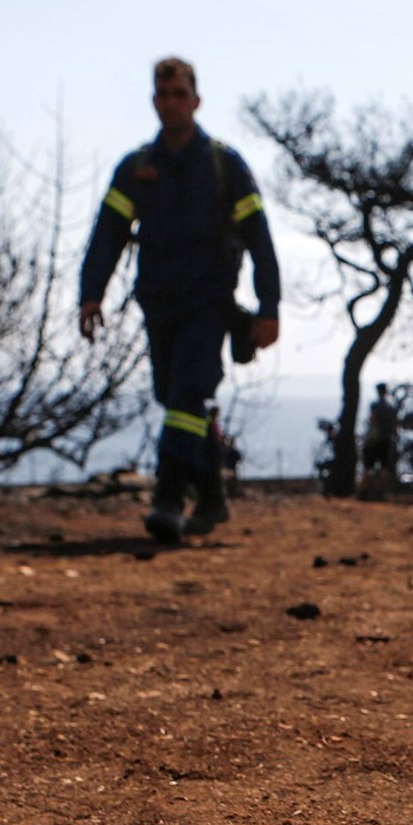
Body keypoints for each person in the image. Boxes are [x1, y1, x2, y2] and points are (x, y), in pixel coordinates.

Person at [79, 56, 280, 543]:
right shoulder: (137, 168)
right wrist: (90, 294)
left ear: (196, 100)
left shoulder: (224, 165)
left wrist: (269, 307)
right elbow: (108, 234)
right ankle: (211, 499)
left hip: (210, 304)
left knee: (189, 393)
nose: (171, 103)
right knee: (176, 401)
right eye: (163, 95)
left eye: (179, 94)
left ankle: (168, 500)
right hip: (159, 303)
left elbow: (259, 237)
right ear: (154, 101)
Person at [361, 382, 400, 495]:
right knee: (384, 466)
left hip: (373, 439)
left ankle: (363, 491)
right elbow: (394, 425)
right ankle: (381, 491)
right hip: (386, 439)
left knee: (368, 466)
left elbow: (372, 420)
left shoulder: (375, 405)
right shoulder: (390, 407)